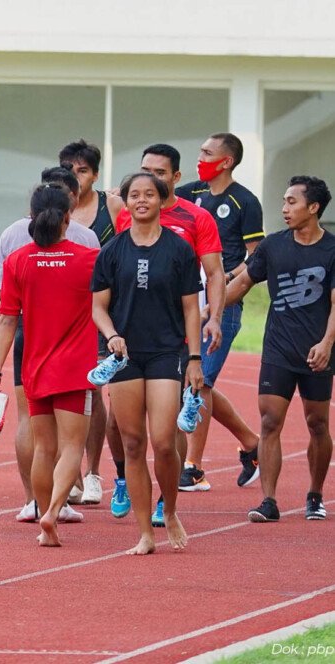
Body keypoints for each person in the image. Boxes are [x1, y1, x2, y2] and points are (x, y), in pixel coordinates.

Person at [113, 144, 225, 525]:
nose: (150, 180)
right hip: (130, 332)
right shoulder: (128, 214)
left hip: (175, 333)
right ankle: (125, 481)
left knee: (169, 425)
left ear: (176, 177)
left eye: (159, 174)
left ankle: (166, 496)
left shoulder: (196, 218)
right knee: (121, 425)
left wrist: (214, 317)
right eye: (145, 171)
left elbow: (214, 273)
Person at [93, 172, 203, 555]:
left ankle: (169, 510)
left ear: (161, 199)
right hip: (124, 356)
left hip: (165, 352)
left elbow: (192, 308)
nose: (141, 200)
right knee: (133, 443)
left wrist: (194, 358)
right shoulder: (111, 252)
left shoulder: (179, 250)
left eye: (149, 194)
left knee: (164, 441)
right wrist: (111, 335)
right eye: (134, 195)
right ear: (125, 203)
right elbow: (98, 307)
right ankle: (144, 533)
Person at [0, 166, 100, 525]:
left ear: (31, 216)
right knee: (71, 447)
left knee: (43, 447)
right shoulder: (89, 259)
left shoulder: (17, 260)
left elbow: (7, 318)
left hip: (33, 365)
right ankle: (54, 511)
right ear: (68, 216)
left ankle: (37, 505)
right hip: (73, 368)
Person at [225, 176, 334, 523]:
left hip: (317, 350)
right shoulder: (273, 245)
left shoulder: (332, 249)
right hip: (278, 349)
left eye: (291, 202)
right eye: (284, 201)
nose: (284, 208)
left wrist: (327, 343)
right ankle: (269, 501)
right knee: (270, 421)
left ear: (313, 207)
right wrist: (208, 313)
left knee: (318, 423)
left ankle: (315, 494)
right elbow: (243, 282)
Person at [175, 133, 263, 491]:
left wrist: (223, 282)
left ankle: (193, 467)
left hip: (222, 304)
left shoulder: (245, 202)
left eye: (207, 153)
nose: (200, 158)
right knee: (195, 382)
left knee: (200, 382)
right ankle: (252, 443)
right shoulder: (190, 192)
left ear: (226, 161)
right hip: (185, 300)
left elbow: (256, 258)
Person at [58, 140, 124, 506]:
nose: (76, 176)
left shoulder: (111, 206)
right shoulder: (51, 208)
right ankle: (70, 474)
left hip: (102, 309)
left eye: (82, 170)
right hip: (62, 310)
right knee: (65, 391)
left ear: (95, 175)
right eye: (69, 169)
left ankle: (94, 471)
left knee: (94, 389)